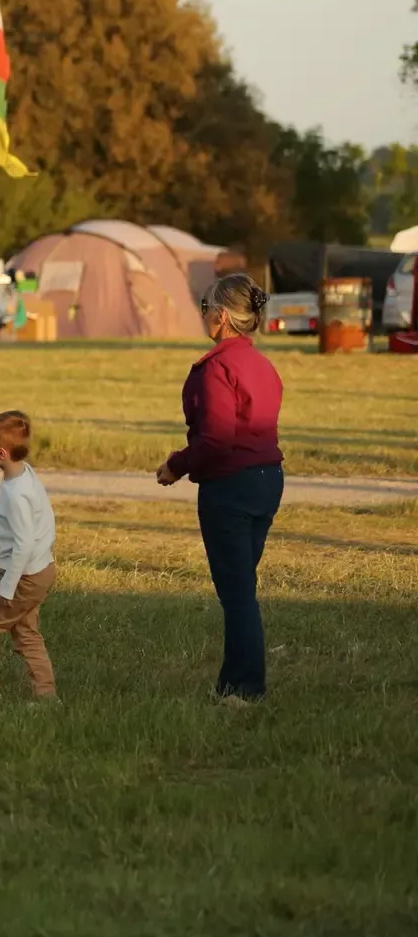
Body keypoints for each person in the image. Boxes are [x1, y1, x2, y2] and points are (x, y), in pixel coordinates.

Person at [157, 274, 283, 704]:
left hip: (231, 486)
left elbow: (216, 440)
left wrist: (176, 465)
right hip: (268, 481)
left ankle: (247, 690)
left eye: (206, 305)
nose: (204, 313)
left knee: (237, 594)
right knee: (241, 587)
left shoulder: (217, 368)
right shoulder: (263, 365)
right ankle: (232, 683)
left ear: (223, 316)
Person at [0, 410, 58, 702]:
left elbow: (24, 544)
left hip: (24, 575)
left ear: (1, 453)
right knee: (27, 633)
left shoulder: (16, 494)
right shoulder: (26, 473)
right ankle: (46, 697)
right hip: (42, 569)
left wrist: (7, 586)